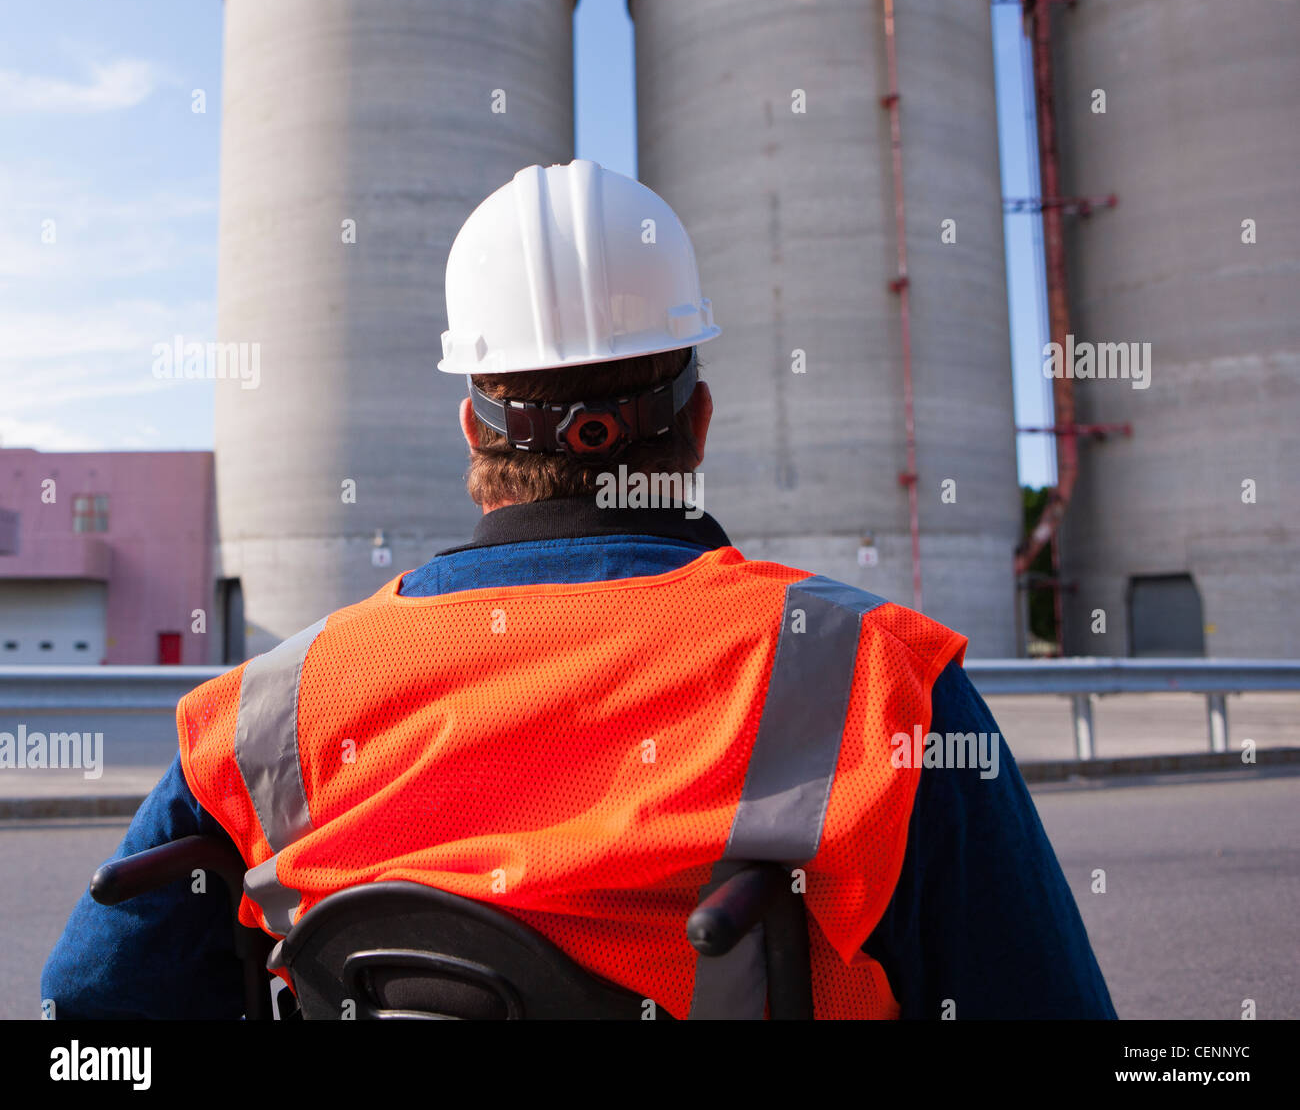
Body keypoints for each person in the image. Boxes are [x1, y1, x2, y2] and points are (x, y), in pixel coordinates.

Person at [43, 160, 1115, 1020]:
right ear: (696, 425)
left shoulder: (271, 711)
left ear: (473, 430)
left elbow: (96, 998)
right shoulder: (875, 681)